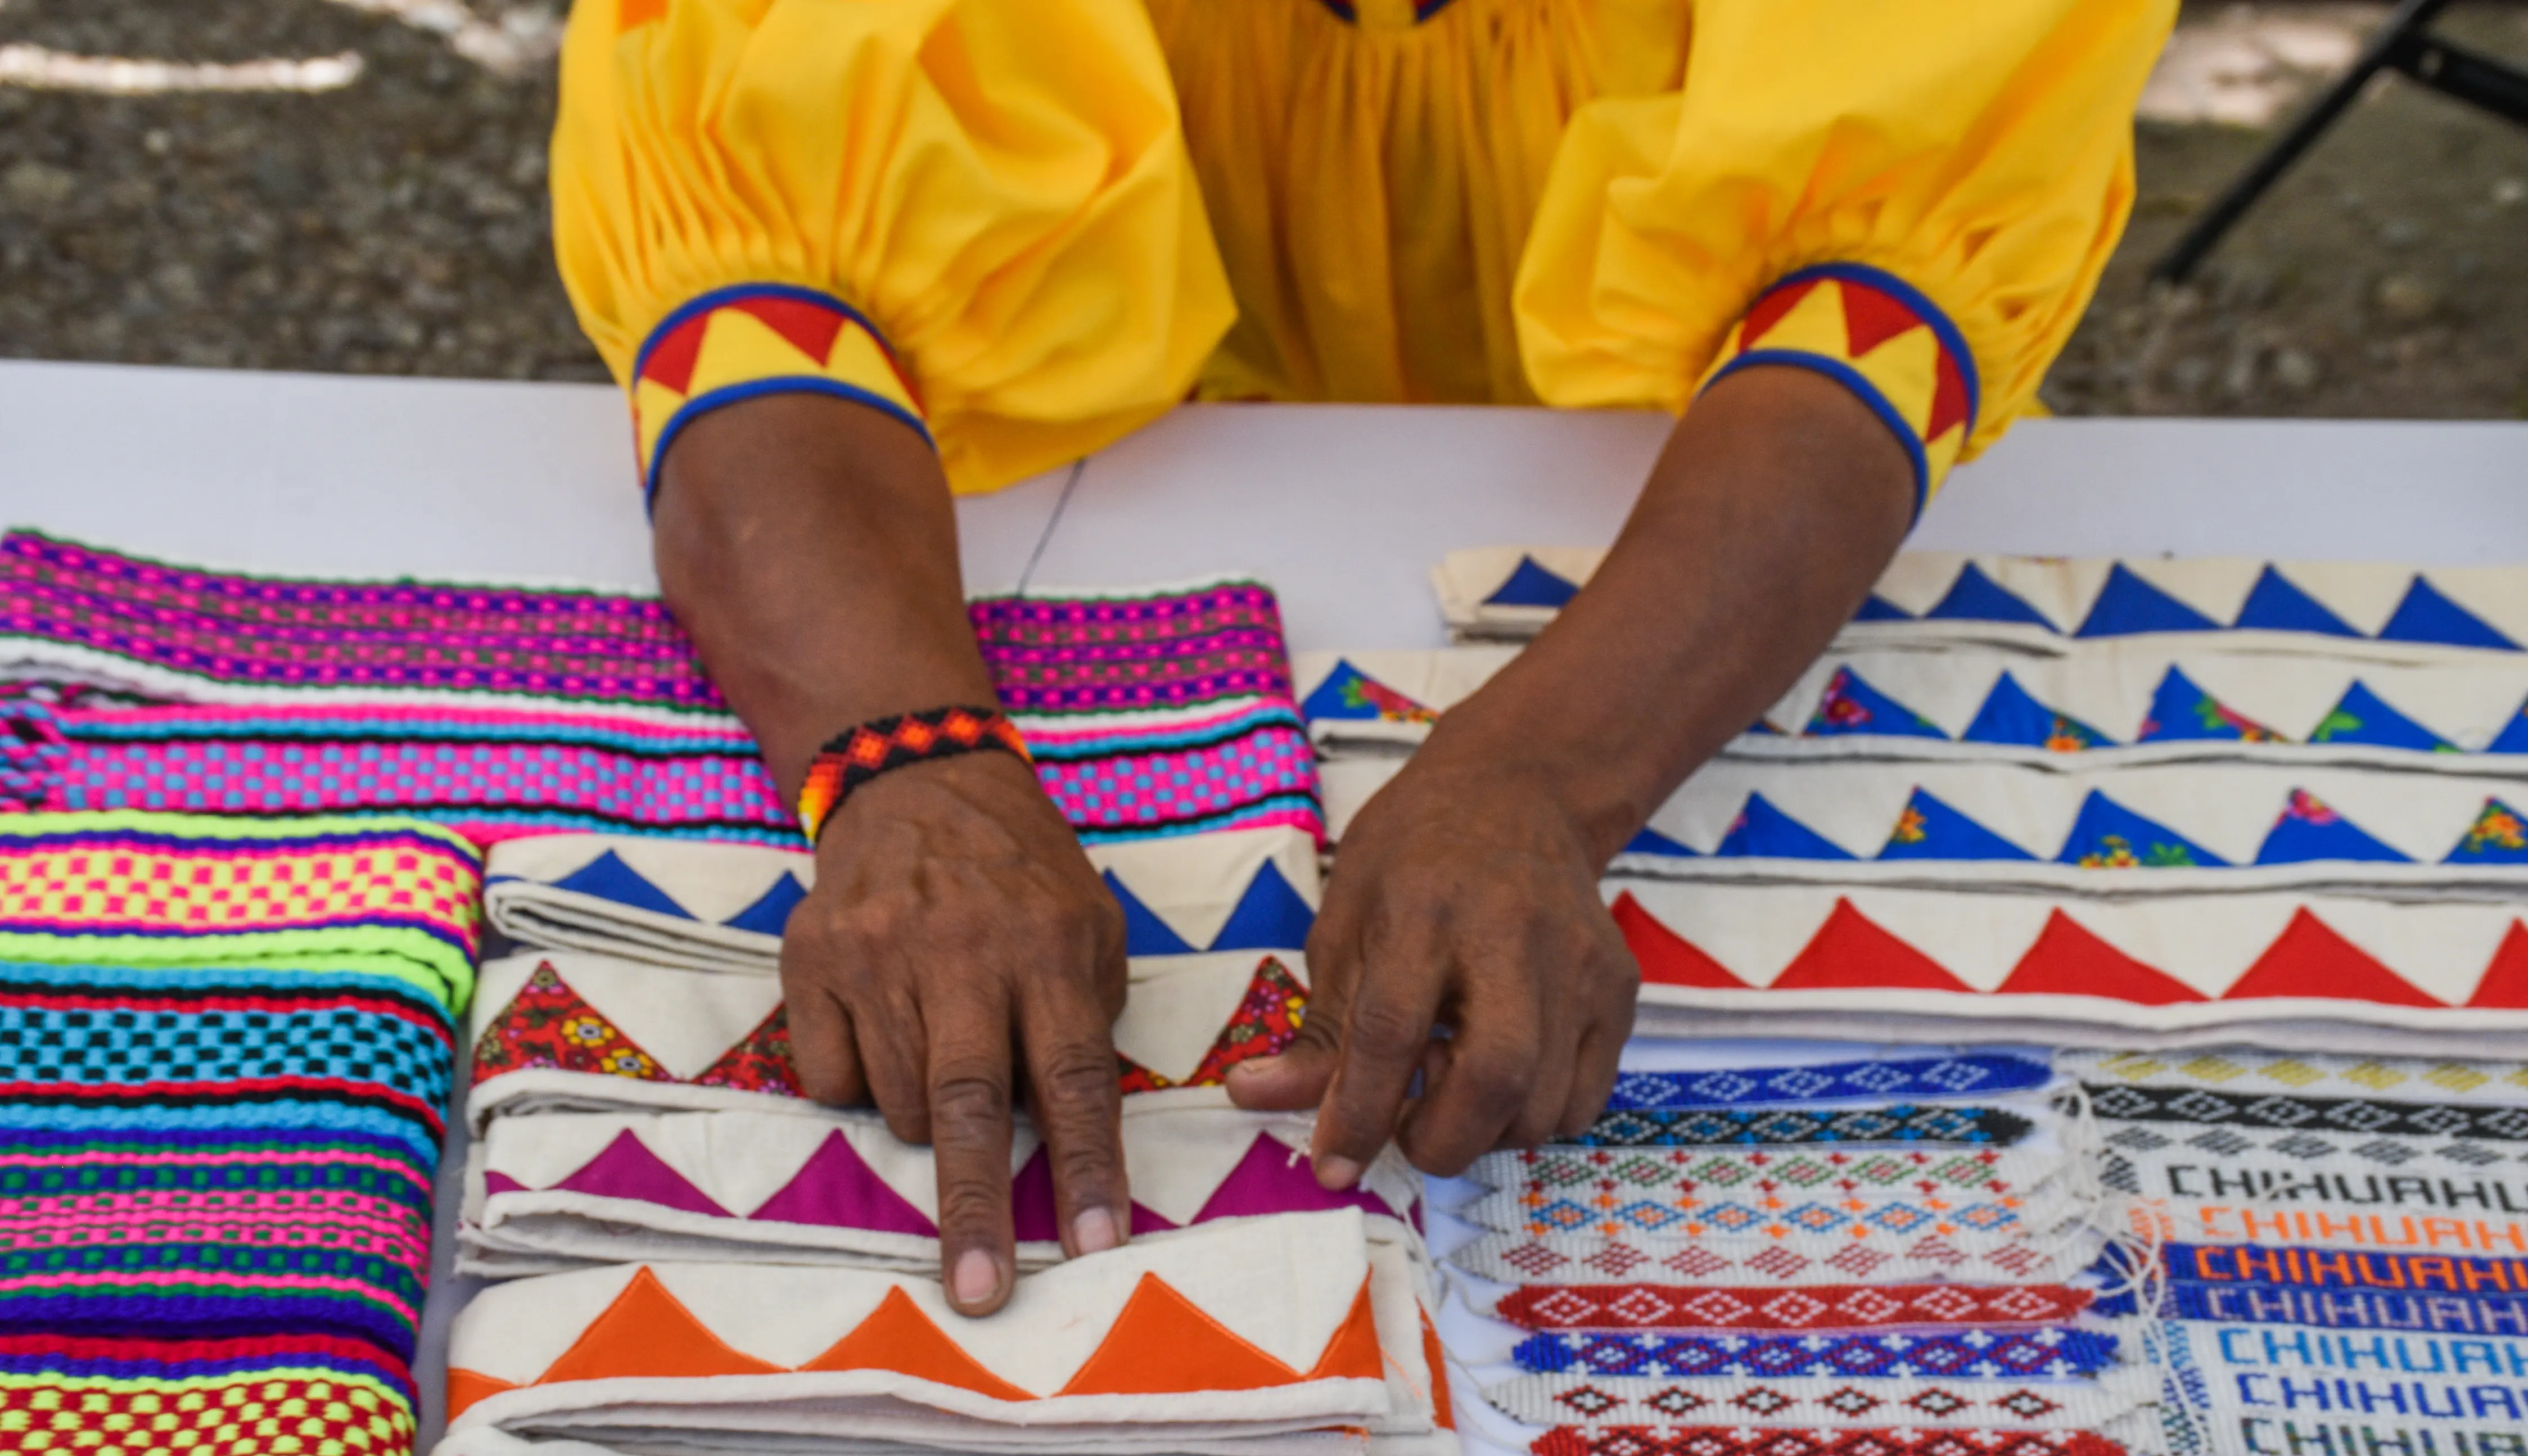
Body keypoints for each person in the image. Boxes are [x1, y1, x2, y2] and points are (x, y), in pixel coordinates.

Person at [548, 0, 2174, 1314]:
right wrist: (903, 768)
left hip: (1657, 473)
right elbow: (760, 277)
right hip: (1089, 460)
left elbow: (1873, 298)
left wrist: (1538, 773)